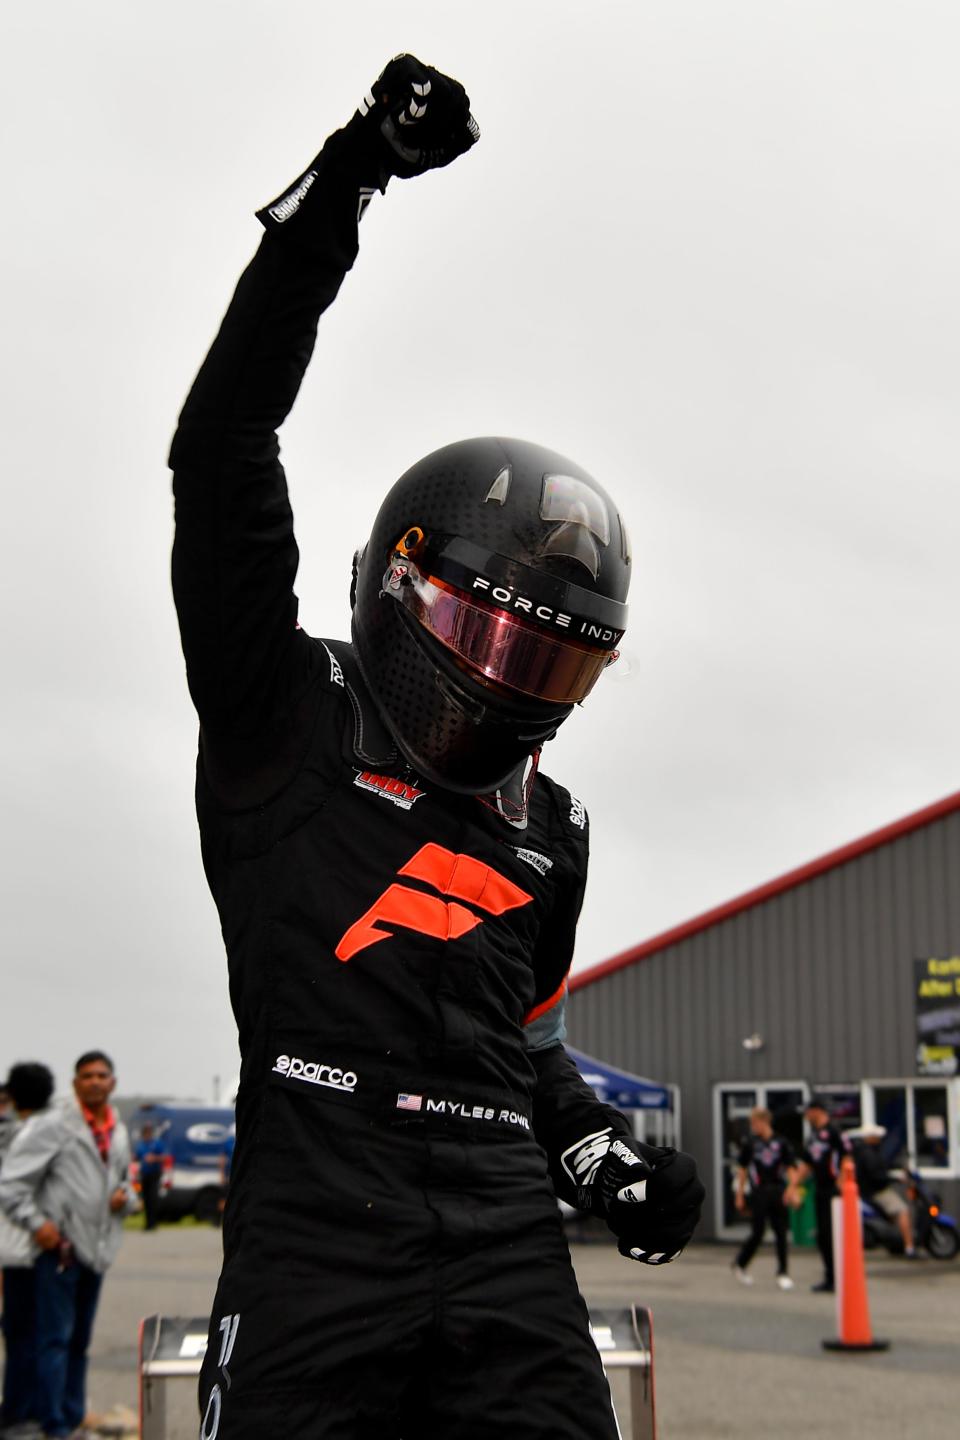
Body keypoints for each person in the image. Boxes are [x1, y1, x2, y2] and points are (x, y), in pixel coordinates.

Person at [170, 52, 704, 1438]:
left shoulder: (554, 826)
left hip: (504, 1235)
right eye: (496, 637)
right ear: (402, 589)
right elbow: (223, 438)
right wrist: (352, 172)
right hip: (313, 1228)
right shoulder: (280, 714)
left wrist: (595, 1149)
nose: (516, 685)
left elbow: (522, 1043)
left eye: (554, 658)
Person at [0, 1051, 132, 1440]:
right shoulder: (54, 1125)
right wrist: (39, 1225)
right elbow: (10, 1184)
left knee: (78, 1341)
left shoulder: (118, 1129)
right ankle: (51, 1422)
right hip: (58, 1251)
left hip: (97, 1248)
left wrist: (126, 1197)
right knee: (51, 1339)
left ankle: (71, 1416)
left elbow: (124, 1180)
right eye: (86, 1075)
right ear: (74, 1083)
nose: (94, 1081)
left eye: (102, 1075)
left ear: (113, 1083)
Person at [0, 1062, 55, 1440]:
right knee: (32, 1334)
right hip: (32, 1246)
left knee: (20, 1332)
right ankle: (22, 1413)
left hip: (11, 1246)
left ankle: (17, 1410)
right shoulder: (41, 1133)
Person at [732, 1107, 799, 1290]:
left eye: (755, 1123)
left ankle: (783, 1272)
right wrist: (740, 1195)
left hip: (778, 1190)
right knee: (758, 1231)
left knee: (781, 1232)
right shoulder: (751, 1143)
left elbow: (791, 1168)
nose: (753, 1127)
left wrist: (792, 1189)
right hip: (759, 1192)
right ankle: (740, 1264)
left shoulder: (781, 1142)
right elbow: (743, 1169)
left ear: (764, 1122)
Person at [791, 1094, 850, 1293]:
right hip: (820, 1189)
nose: (806, 1115)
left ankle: (840, 1278)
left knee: (833, 1234)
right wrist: (792, 1187)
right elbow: (807, 1164)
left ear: (817, 1110)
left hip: (834, 1190)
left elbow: (847, 1159)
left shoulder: (834, 1132)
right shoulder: (813, 1136)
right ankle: (830, 1277)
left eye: (808, 1111)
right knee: (823, 1236)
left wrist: (842, 1183)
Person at [850, 1123, 917, 1258]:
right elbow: (877, 1175)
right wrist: (894, 1177)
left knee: (894, 1214)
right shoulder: (868, 1153)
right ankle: (909, 1248)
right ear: (870, 1137)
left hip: (870, 1191)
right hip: (877, 1191)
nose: (879, 1139)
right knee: (903, 1210)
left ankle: (895, 1241)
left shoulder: (864, 1151)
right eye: (876, 1136)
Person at [133, 1123, 168, 1232]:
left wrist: (154, 1158)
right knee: (146, 1199)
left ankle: (154, 1223)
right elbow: (136, 1157)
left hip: (154, 1173)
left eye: (148, 1132)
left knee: (153, 1198)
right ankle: (147, 1223)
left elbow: (164, 1157)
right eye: (145, 1132)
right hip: (144, 1174)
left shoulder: (156, 1144)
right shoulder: (141, 1145)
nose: (147, 1134)